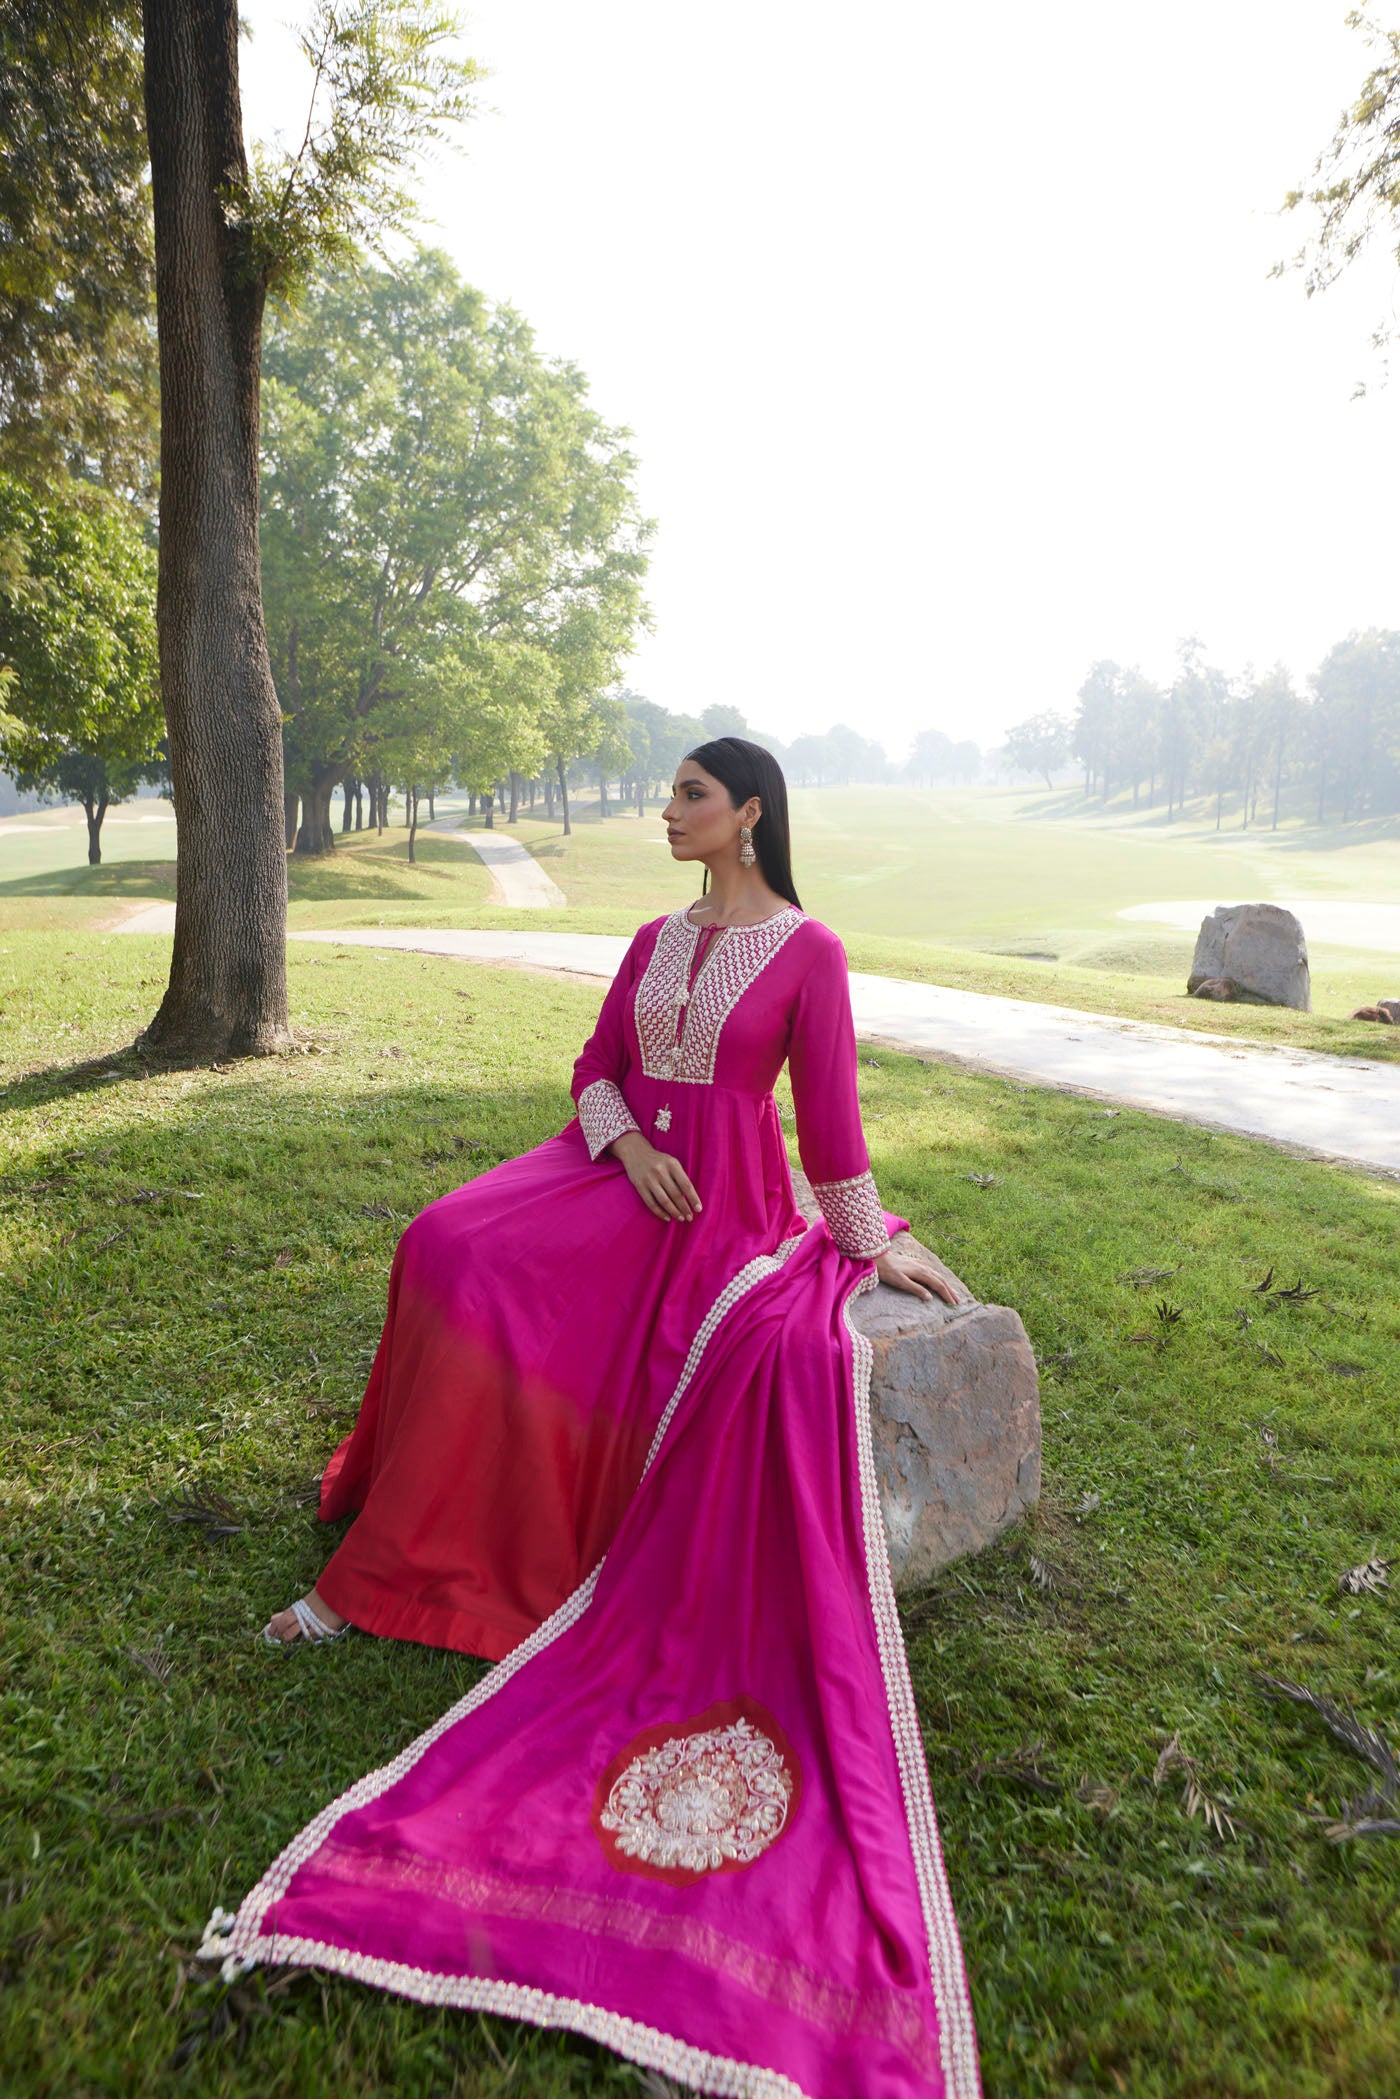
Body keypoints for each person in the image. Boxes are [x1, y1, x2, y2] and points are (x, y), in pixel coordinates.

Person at [224, 739, 982, 2098]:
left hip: (732, 1212)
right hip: (616, 1179)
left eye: (693, 795)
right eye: (674, 792)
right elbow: (593, 1065)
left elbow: (835, 1130)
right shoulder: (650, 938)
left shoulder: (810, 952)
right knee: (446, 1244)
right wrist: (624, 1142)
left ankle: (399, 1575)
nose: (670, 811)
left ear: (750, 813)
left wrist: (870, 1248)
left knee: (587, 1322)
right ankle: (414, 1511)